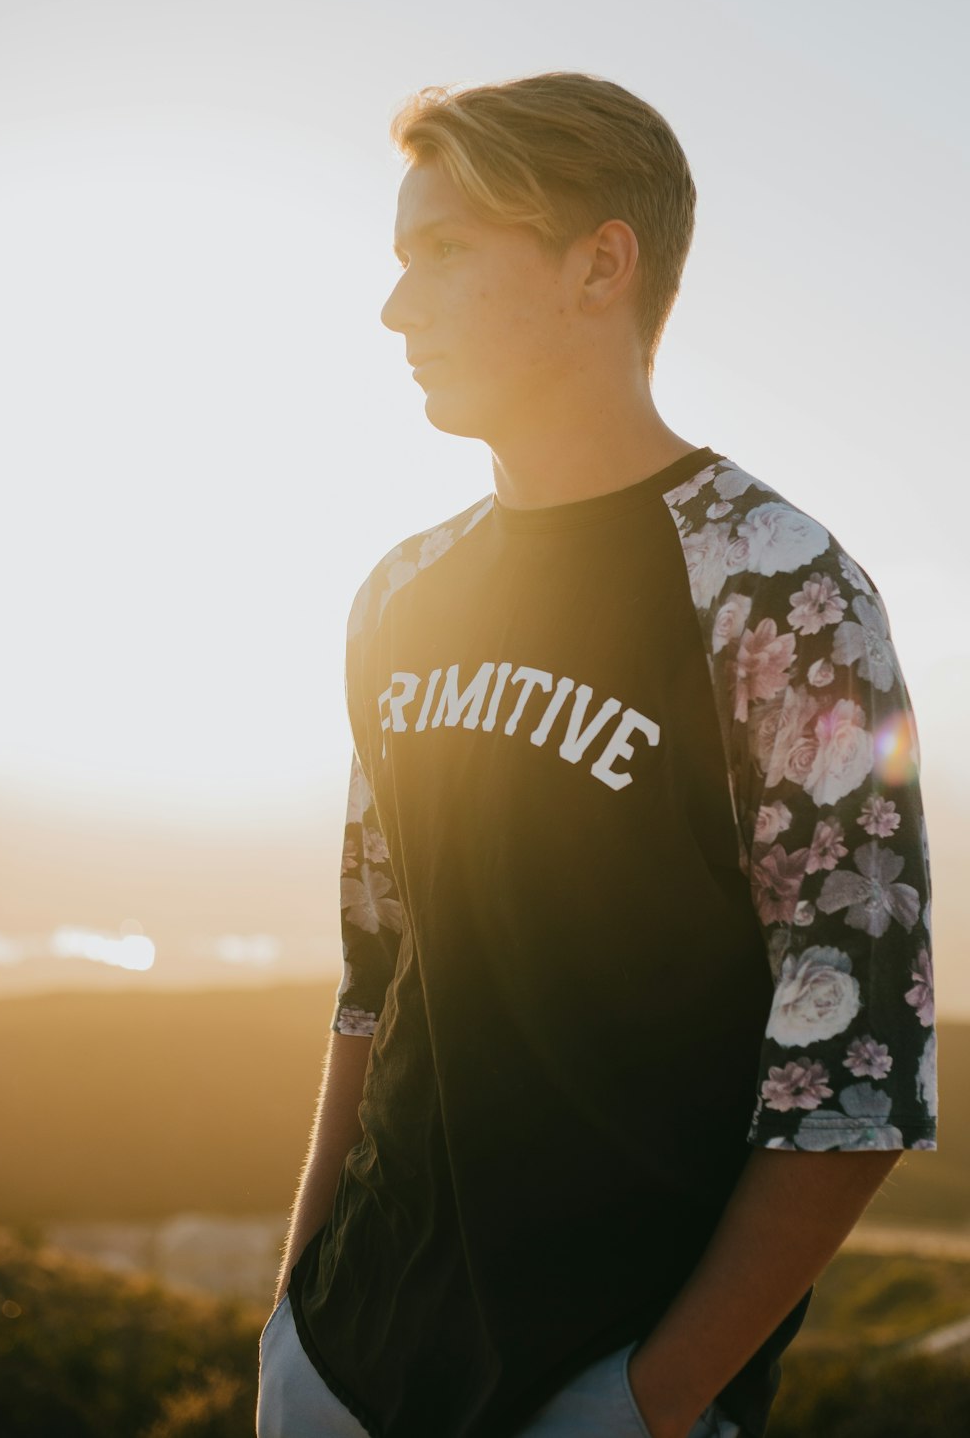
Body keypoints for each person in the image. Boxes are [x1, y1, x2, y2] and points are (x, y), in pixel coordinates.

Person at [256, 72, 937, 1438]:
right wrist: (293, 1317)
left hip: (603, 1381)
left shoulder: (780, 592)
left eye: (443, 251)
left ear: (600, 267)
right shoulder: (401, 591)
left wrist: (650, 1398)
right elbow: (373, 978)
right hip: (346, 1359)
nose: (397, 306)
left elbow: (859, 1060)